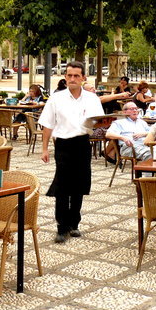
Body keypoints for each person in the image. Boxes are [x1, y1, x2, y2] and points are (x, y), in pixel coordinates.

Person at [39, 61, 104, 244]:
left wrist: (102, 124)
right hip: (63, 145)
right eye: (69, 75)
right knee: (62, 186)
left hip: (82, 144)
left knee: (80, 185)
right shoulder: (56, 98)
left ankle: (74, 223)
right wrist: (45, 149)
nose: (72, 79)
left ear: (84, 78)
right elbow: (48, 124)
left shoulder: (92, 99)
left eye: (76, 75)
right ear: (65, 77)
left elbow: (97, 122)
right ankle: (62, 227)